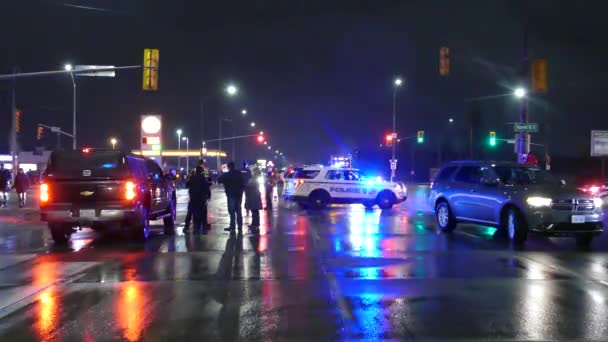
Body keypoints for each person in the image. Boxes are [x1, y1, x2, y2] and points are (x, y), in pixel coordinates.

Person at [218, 161, 246, 234]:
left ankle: (232, 226)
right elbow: (243, 182)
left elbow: (219, 180)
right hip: (239, 194)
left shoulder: (227, 174)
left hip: (231, 194)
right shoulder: (239, 174)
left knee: (232, 211)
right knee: (238, 211)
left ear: (228, 167)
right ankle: (240, 226)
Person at [185, 165, 211, 233]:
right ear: (201, 171)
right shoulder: (203, 177)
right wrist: (208, 196)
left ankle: (187, 226)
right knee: (203, 212)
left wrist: (189, 177)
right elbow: (207, 186)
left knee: (190, 212)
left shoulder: (192, 177)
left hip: (193, 198)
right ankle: (203, 226)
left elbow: (187, 185)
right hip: (201, 198)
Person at [245, 169, 263, 233]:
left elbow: (250, 186)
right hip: (254, 197)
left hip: (253, 197)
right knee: (254, 211)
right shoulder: (255, 179)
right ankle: (254, 223)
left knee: (254, 211)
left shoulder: (254, 180)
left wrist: (246, 186)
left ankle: (255, 224)